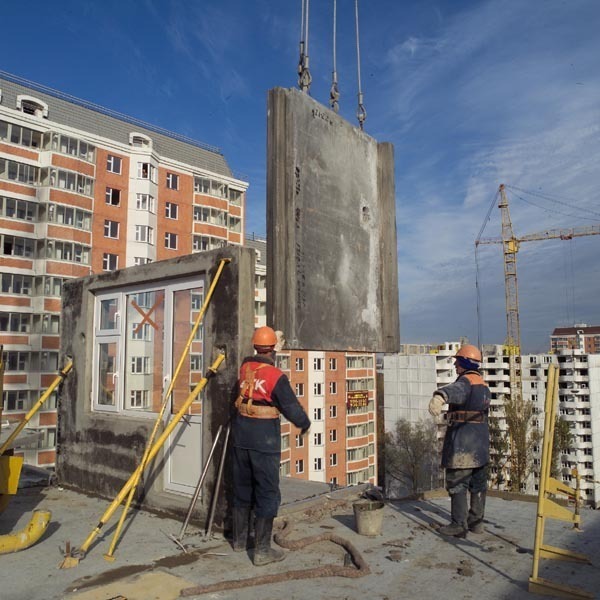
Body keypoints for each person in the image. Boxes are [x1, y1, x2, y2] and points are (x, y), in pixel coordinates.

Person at [231, 326, 311, 565]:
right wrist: (304, 423)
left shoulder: (246, 369)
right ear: (273, 349)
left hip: (241, 434)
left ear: (255, 346)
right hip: (263, 437)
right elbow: (290, 406)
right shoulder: (275, 376)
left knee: (242, 487)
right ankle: (263, 552)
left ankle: (239, 541)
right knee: (267, 492)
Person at [428, 344, 490, 538]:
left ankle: (458, 525)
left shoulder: (466, 381)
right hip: (481, 444)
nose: (455, 364)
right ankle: (476, 523)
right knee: (478, 484)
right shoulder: (484, 384)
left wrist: (440, 397)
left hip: (464, 443)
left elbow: (456, 390)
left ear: (464, 362)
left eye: (457, 361)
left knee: (458, 482)